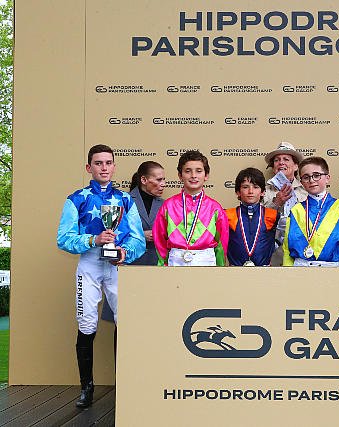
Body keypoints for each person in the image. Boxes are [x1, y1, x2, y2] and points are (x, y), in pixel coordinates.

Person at [56, 144, 145, 408]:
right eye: (98, 163)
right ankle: (87, 388)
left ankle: (127, 385)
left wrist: (124, 252)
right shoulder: (77, 198)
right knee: (87, 324)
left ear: (114, 166)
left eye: (108, 163)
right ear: (89, 167)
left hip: (116, 266)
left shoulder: (126, 200)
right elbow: (63, 239)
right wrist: (93, 239)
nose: (104, 168)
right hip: (90, 264)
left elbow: (138, 240)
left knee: (125, 321)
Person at [102, 161, 166, 322]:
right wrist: (141, 235)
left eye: (164, 180)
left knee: (151, 318)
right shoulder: (122, 201)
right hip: (128, 265)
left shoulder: (165, 204)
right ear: (144, 180)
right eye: (158, 180)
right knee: (122, 318)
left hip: (155, 267)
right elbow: (110, 234)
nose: (163, 184)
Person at [153, 150, 228, 266]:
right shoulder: (168, 206)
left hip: (206, 262)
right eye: (188, 171)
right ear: (180, 175)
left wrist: (220, 268)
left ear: (206, 175)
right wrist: (163, 265)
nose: (193, 175)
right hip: (175, 262)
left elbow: (221, 243)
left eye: (199, 171)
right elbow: (159, 239)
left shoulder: (215, 208)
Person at [283, 156, 339, 267]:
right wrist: (286, 272)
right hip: (299, 268)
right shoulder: (296, 210)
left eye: (316, 175)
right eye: (306, 177)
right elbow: (287, 248)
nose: (311, 180)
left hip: (332, 270)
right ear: (301, 182)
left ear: (327, 178)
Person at [262, 142, 308, 265]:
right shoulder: (263, 191)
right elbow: (258, 221)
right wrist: (276, 203)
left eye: (286, 159)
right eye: (277, 160)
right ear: (273, 167)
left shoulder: (307, 191)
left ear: (296, 166)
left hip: (301, 250)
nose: (281, 163)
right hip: (271, 250)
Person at [226, 168, 280, 266]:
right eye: (245, 187)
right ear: (238, 192)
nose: (250, 191)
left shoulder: (273, 215)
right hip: (235, 271)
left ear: (263, 192)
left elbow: (283, 238)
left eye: (255, 187)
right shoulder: (227, 215)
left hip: (265, 271)